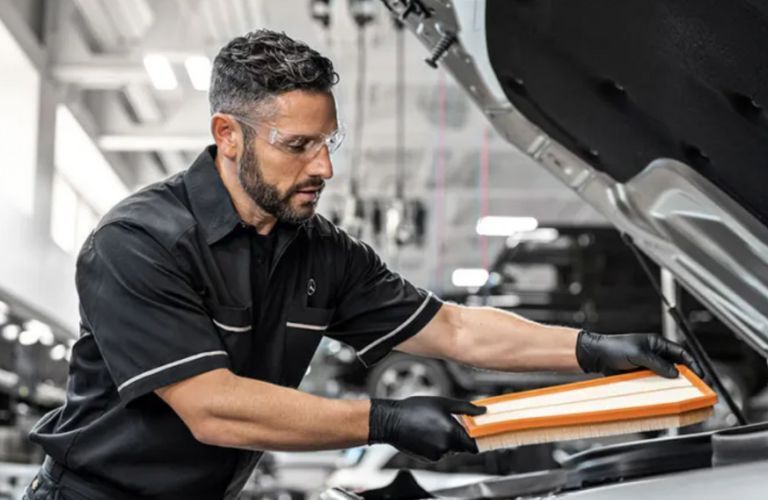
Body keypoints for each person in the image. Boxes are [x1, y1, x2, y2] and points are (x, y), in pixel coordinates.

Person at [24, 30, 698, 500]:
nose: (324, 167)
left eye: (328, 141)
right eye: (297, 145)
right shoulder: (138, 242)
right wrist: (383, 420)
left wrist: (594, 349)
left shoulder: (320, 250)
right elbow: (212, 410)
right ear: (227, 136)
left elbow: (456, 331)